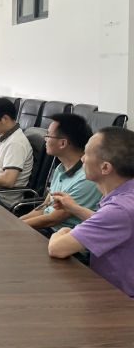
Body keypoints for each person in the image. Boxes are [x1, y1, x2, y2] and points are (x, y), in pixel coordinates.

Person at [48, 127, 134, 298]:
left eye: (87, 154)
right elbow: (113, 225)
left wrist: (64, 231)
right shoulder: (126, 195)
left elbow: (57, 249)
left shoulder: (119, 209)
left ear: (105, 167)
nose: (82, 159)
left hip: (119, 299)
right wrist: (74, 208)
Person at [20, 113, 100, 237]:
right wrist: (17, 221)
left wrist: (17, 226)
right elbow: (44, 206)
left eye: (48, 135)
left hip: (62, 236)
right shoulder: (61, 167)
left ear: (62, 143)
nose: (45, 139)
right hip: (47, 229)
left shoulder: (87, 178)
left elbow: (53, 219)